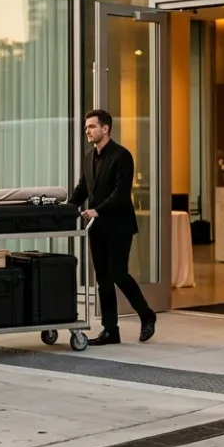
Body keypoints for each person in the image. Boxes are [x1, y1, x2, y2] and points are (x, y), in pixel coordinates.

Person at [68, 109, 157, 346]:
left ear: (105, 129)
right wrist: (65, 209)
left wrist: (98, 210)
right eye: (86, 127)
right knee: (103, 279)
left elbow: (120, 193)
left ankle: (146, 314)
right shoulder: (89, 158)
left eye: (91, 127)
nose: (87, 131)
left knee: (118, 273)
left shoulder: (122, 156)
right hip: (97, 228)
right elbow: (82, 190)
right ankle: (110, 330)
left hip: (119, 225)